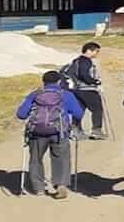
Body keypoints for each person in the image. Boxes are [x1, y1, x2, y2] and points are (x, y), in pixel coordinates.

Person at [16, 70, 84, 199]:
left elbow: (21, 114)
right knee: (61, 158)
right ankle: (61, 185)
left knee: (36, 159)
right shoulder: (66, 95)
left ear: (44, 81)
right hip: (59, 132)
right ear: (59, 81)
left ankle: (39, 188)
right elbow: (78, 113)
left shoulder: (35, 94)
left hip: (36, 132)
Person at [64, 42, 107, 140]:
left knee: (79, 110)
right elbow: (84, 74)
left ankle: (76, 130)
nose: (97, 54)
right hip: (88, 89)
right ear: (89, 50)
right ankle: (96, 131)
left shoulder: (76, 60)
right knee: (97, 109)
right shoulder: (86, 61)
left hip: (76, 90)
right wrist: (95, 82)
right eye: (96, 51)